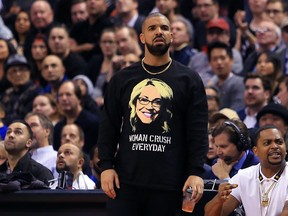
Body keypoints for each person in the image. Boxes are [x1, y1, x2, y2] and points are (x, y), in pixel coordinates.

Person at [98, 13, 208, 216]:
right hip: (126, 183)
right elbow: (108, 126)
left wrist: (195, 172)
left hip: (171, 184)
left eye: (164, 28)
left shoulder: (189, 79)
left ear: (172, 36)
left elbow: (198, 130)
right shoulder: (123, 78)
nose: (159, 32)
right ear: (141, 38)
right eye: (152, 28)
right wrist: (106, 165)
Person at [205, 125, 288, 216]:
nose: (275, 146)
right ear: (255, 151)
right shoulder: (244, 176)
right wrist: (219, 200)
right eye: (267, 143)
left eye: (279, 142)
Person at [0, 120, 53, 185]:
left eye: (18, 132)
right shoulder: (1, 171)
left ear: (28, 143)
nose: (11, 135)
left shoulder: (41, 173)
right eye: (8, 132)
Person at [53, 80, 99, 154]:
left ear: (79, 99)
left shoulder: (93, 123)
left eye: (68, 94)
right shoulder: (58, 127)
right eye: (60, 95)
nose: (64, 98)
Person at [1, 54, 41, 125]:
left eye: (22, 69)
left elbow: (26, 117)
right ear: (7, 75)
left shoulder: (37, 92)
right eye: (13, 71)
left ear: (29, 72)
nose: (18, 74)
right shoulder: (5, 94)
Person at [25, 112, 58, 178]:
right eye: (26, 127)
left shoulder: (56, 158)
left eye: (33, 125)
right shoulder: (21, 160)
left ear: (47, 131)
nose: (28, 130)